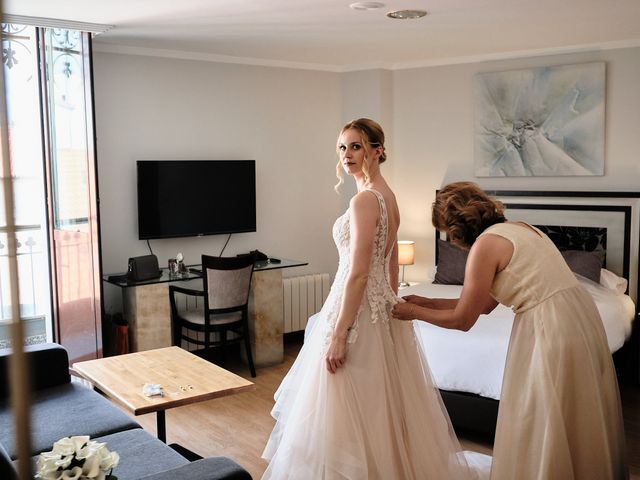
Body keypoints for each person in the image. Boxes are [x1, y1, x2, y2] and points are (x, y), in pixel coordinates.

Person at [261, 120, 482, 479]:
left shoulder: (365, 199)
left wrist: (338, 333)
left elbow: (360, 272)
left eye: (356, 147)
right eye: (342, 148)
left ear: (377, 150)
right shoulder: (388, 196)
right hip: (377, 308)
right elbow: (390, 260)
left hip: (359, 311)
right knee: (375, 407)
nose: (347, 155)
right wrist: (391, 300)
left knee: (346, 407)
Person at [392, 181, 628, 480]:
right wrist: (424, 299)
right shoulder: (521, 228)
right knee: (572, 410)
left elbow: (464, 320)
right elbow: (484, 304)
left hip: (548, 323)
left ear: (456, 226)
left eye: (446, 232)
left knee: (542, 410)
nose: (449, 239)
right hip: (578, 315)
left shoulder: (484, 247)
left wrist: (412, 313)